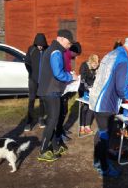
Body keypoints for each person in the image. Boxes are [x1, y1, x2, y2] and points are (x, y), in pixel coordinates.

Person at [89, 36, 128, 178]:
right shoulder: (124, 60)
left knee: (100, 133)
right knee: (105, 135)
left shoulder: (112, 54)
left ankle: (98, 161)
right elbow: (120, 87)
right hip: (107, 102)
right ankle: (104, 167)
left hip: (98, 99)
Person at [37, 29, 78, 162]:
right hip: (50, 91)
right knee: (52, 121)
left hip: (51, 91)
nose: (69, 45)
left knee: (54, 120)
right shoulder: (56, 51)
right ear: (61, 38)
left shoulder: (55, 49)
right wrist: (71, 76)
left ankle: (55, 146)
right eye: (69, 42)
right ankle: (43, 150)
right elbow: (58, 73)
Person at [56, 42, 82, 142]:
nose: (76, 57)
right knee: (61, 112)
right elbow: (61, 72)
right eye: (76, 55)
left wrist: (71, 73)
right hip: (62, 89)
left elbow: (67, 70)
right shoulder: (64, 55)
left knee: (64, 111)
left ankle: (61, 130)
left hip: (65, 88)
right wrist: (71, 76)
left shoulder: (67, 56)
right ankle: (58, 134)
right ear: (73, 51)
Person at [24, 33, 48, 131]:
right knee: (32, 100)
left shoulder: (48, 50)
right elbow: (27, 62)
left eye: (42, 45)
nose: (40, 47)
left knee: (42, 100)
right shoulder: (31, 49)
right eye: (38, 45)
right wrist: (31, 73)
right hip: (33, 80)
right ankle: (29, 121)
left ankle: (41, 119)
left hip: (43, 81)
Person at [78, 54, 99, 135]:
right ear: (90, 62)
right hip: (83, 88)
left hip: (92, 90)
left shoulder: (96, 68)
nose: (95, 66)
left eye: (97, 65)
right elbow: (82, 80)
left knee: (91, 107)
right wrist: (88, 88)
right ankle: (81, 126)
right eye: (94, 65)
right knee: (84, 107)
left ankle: (87, 126)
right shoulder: (84, 66)